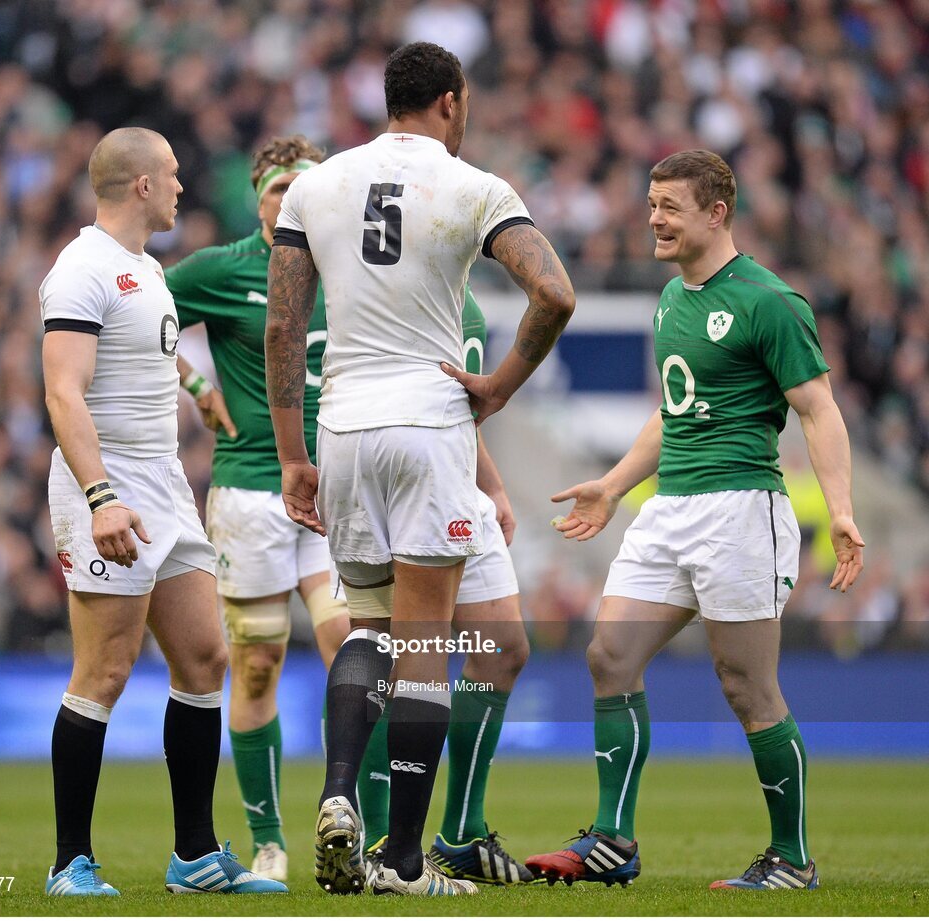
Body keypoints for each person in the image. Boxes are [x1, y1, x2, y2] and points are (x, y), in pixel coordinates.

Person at [265, 41, 575, 897]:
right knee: (429, 643)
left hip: (343, 425)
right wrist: (501, 387)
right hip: (429, 419)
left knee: (367, 630)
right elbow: (555, 292)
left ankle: (336, 795)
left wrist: (294, 454)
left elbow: (285, 330)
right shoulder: (474, 186)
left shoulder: (316, 186)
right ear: (449, 100)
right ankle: (404, 858)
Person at [525, 149, 865, 892]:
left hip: (741, 508)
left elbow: (818, 408)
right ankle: (613, 840)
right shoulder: (672, 299)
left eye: (669, 206)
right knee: (608, 656)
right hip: (669, 507)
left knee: (747, 687)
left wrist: (839, 510)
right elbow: (671, 413)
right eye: (651, 204)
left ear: (717, 213)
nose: (654, 218)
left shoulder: (770, 301)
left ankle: (792, 859)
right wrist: (614, 486)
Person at [40, 126, 287, 897]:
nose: (184, 187)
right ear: (142, 184)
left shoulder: (144, 269)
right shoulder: (81, 268)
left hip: (167, 484)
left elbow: (148, 348)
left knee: (206, 658)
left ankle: (195, 856)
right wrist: (100, 495)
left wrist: (194, 385)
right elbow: (62, 390)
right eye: (174, 175)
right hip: (109, 484)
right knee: (105, 670)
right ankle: (69, 862)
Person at [165, 135, 350, 883]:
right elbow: (129, 310)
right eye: (278, 190)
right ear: (258, 195)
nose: (289, 201)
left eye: (303, 187)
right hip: (249, 490)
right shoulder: (221, 269)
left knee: (351, 652)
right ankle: (268, 838)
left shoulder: (349, 269)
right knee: (258, 664)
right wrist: (193, 381)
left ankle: (349, 818)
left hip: (339, 492)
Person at [356, 288, 534, 887]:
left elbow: (458, 413)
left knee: (503, 648)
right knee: (395, 652)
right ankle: (379, 836)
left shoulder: (465, 308)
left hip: (458, 485)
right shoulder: (374, 296)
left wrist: (496, 487)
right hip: (394, 485)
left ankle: (459, 834)